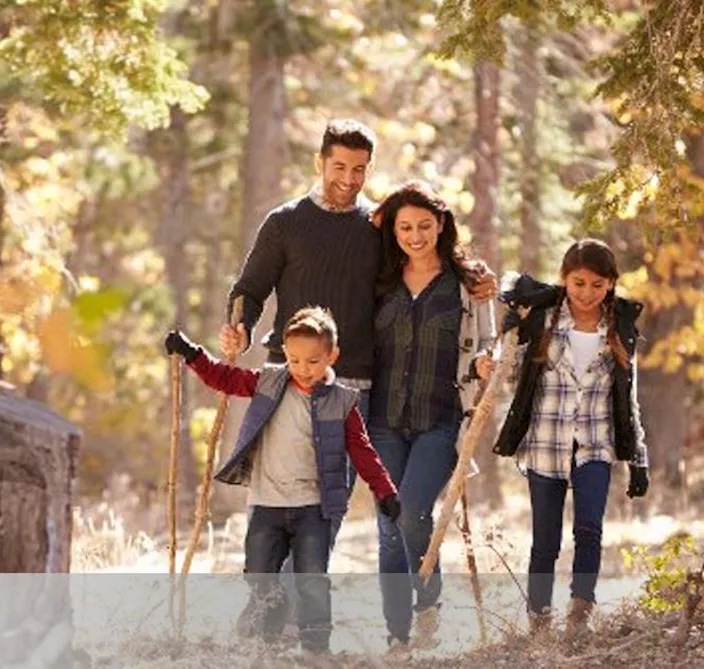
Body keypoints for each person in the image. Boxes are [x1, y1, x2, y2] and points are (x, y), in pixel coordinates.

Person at [220, 119, 498, 633]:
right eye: (340, 167)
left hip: (356, 391)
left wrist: (478, 278)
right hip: (289, 382)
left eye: (360, 169)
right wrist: (237, 324)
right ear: (320, 162)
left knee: (328, 506)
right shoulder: (285, 222)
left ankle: (301, 612)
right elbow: (250, 288)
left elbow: (429, 261)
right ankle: (267, 602)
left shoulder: (377, 227)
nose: (349, 178)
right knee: (282, 498)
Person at [164, 306, 402, 655]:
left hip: (313, 509)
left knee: (312, 581)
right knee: (259, 575)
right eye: (294, 360)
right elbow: (224, 378)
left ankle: (316, 648)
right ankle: (270, 628)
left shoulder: (342, 402)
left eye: (313, 361)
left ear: (332, 356)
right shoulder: (269, 382)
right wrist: (191, 354)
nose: (303, 370)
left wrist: (384, 490)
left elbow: (362, 450)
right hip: (266, 505)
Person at [490, 238, 651, 639]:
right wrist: (507, 337)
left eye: (598, 285)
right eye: (579, 283)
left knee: (589, 530)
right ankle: (539, 619)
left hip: (595, 444)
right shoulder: (542, 319)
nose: (587, 293)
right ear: (564, 279)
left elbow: (628, 396)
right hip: (545, 443)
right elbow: (509, 374)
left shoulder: (620, 329)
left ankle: (580, 612)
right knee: (545, 538)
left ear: (611, 284)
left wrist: (638, 458)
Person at [365, 181, 502, 650]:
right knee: (388, 525)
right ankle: (397, 635)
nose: (415, 235)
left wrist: (487, 361)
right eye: (405, 226)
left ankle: (427, 603)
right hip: (381, 420)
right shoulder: (380, 280)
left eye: (424, 225)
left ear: (441, 225)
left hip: (441, 420)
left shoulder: (467, 285)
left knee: (412, 513)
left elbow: (489, 340)